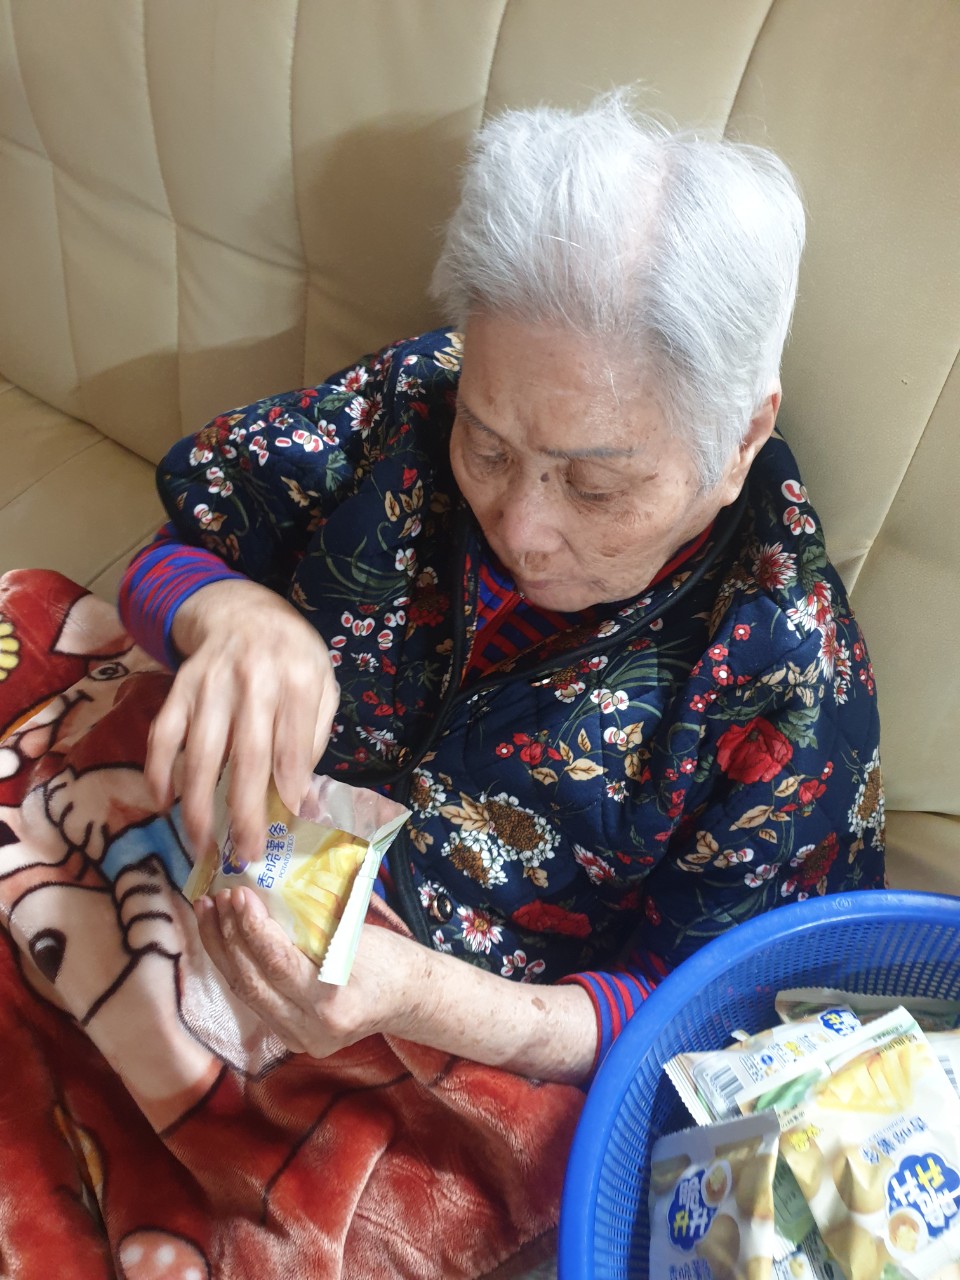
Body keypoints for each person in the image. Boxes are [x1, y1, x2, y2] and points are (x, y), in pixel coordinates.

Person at [120, 92, 885, 1086]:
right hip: (195, 861)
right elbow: (175, 549)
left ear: (740, 438)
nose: (518, 525)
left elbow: (717, 1020)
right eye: (486, 447)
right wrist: (228, 613)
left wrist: (427, 998)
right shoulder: (420, 394)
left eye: (594, 485)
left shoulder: (788, 672)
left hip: (464, 1041)